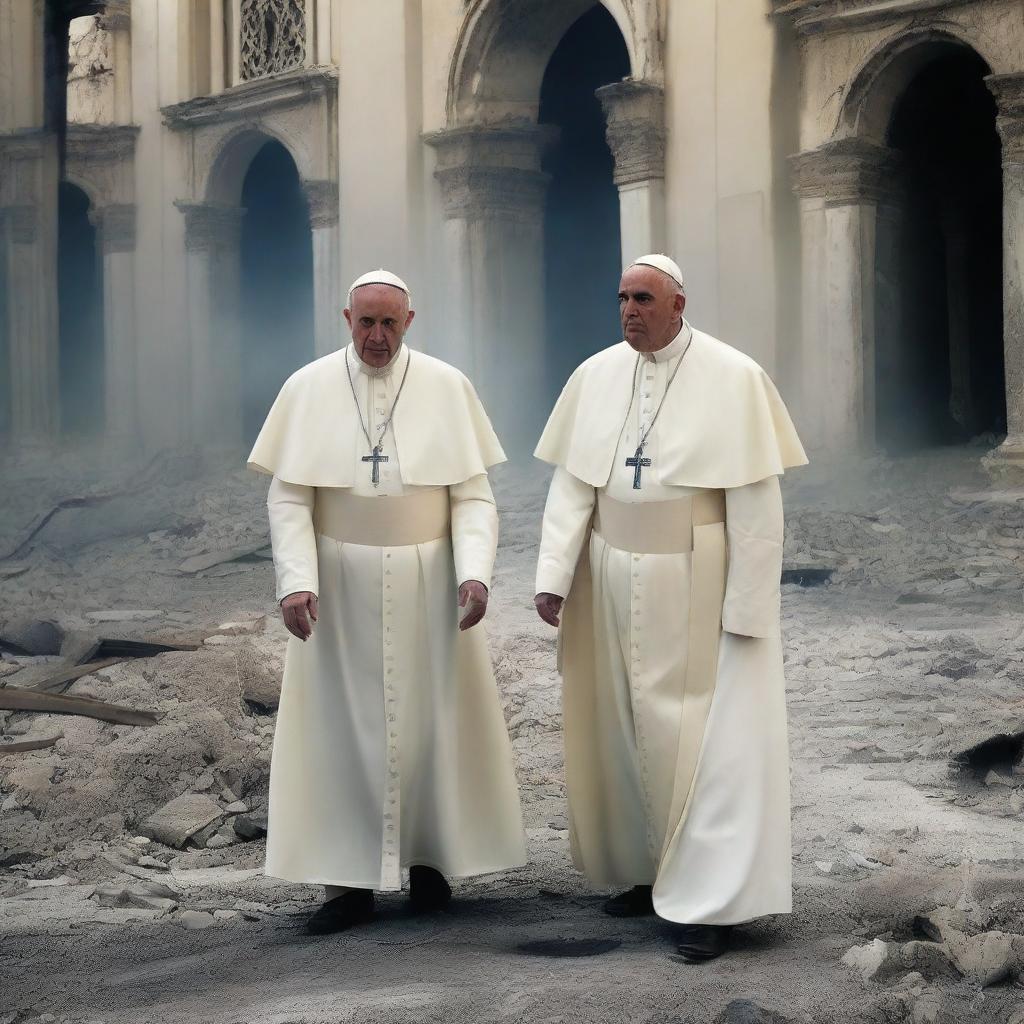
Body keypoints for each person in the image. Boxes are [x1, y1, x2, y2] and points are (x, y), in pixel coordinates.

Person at [533, 254, 807, 962]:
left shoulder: (734, 377)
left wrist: (748, 610)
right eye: (622, 297)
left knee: (707, 743)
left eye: (645, 299)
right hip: (610, 574)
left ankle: (708, 904)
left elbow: (755, 506)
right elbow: (572, 488)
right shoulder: (594, 377)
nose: (630, 310)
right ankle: (642, 870)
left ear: (678, 304)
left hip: (697, 576)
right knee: (620, 730)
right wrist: (553, 578)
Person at [248, 269, 526, 934]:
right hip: (338, 589)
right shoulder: (307, 388)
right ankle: (346, 884)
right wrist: (295, 579)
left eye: (389, 324)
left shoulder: (446, 386)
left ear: (410, 322)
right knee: (340, 733)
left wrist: (476, 572)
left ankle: (433, 860)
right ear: (347, 319)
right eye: (365, 322)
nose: (377, 336)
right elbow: (290, 496)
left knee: (435, 721)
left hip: (430, 581)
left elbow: (473, 495)